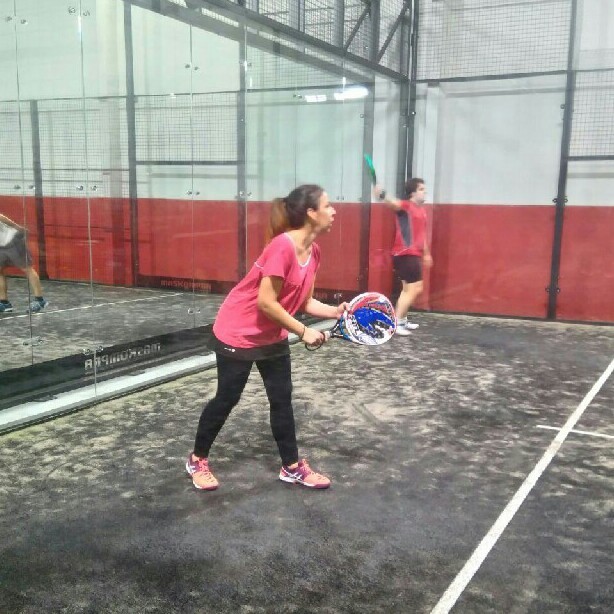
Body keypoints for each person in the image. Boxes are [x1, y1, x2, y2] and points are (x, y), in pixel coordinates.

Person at [187, 184, 346, 491]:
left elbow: (305, 302)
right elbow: (266, 302)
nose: (334, 211)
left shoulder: (314, 251)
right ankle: (197, 459)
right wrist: (303, 331)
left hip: (272, 332)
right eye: (328, 206)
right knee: (227, 398)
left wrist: (335, 312)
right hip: (238, 330)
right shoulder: (282, 247)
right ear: (311, 213)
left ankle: (291, 466)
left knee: (281, 398)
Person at [373, 178, 432, 336]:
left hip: (413, 254)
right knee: (414, 288)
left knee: (408, 289)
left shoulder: (422, 211)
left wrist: (426, 254)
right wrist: (382, 194)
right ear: (412, 193)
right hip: (405, 253)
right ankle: (397, 323)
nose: (425, 192)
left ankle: (403, 320)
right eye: (421, 189)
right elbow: (393, 202)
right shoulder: (406, 206)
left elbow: (422, 236)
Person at [0, 213, 48, 314]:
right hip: (1, 245)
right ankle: (4, 303)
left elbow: (1, 217)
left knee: (27, 269)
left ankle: (40, 300)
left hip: (12, 240)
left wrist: (18, 228)